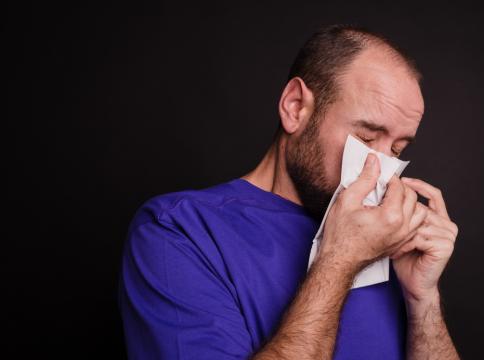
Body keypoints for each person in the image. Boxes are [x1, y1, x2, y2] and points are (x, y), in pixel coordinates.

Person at [118, 24, 460, 359]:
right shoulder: (179, 229)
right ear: (295, 107)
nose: (382, 168)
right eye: (367, 138)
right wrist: (341, 259)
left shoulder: (389, 241)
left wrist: (422, 298)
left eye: (397, 150)